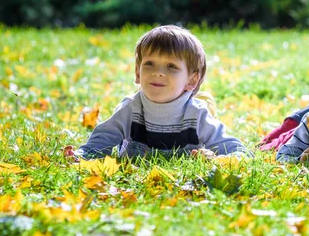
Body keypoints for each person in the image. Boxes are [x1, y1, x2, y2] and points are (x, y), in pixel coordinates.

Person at [68, 25, 247, 160]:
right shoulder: (131, 108)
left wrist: (222, 159)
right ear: (137, 73)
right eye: (149, 64)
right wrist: (82, 155)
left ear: (191, 80)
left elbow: (236, 149)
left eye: (171, 66)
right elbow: (102, 139)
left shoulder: (197, 113)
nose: (158, 72)